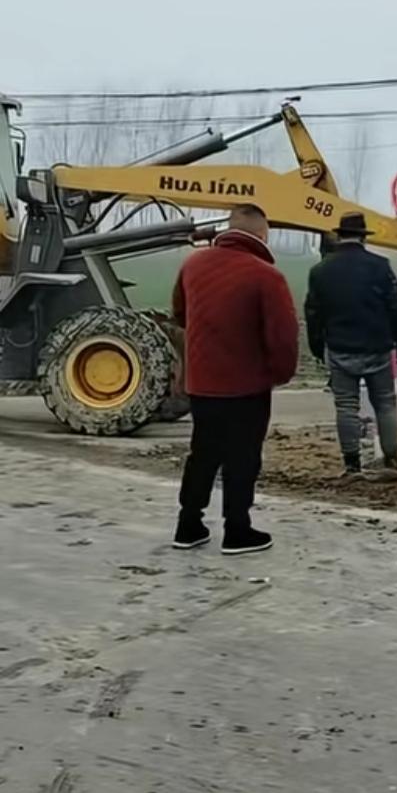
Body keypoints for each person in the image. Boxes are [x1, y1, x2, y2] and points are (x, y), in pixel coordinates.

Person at [172, 205, 299, 554]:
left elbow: (179, 314)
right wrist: (279, 373)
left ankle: (188, 524)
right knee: (243, 457)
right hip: (246, 386)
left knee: (203, 452)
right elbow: (283, 336)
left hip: (201, 383)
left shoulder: (192, 265)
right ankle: (237, 529)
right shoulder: (266, 276)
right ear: (262, 234)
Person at [304, 212, 397, 478]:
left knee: (346, 406)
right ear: (363, 236)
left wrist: (318, 347)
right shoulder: (381, 266)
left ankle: (351, 465)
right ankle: (391, 461)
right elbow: (396, 307)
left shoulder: (321, 270)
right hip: (378, 346)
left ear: (339, 236)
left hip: (340, 347)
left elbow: (313, 313)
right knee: (385, 404)